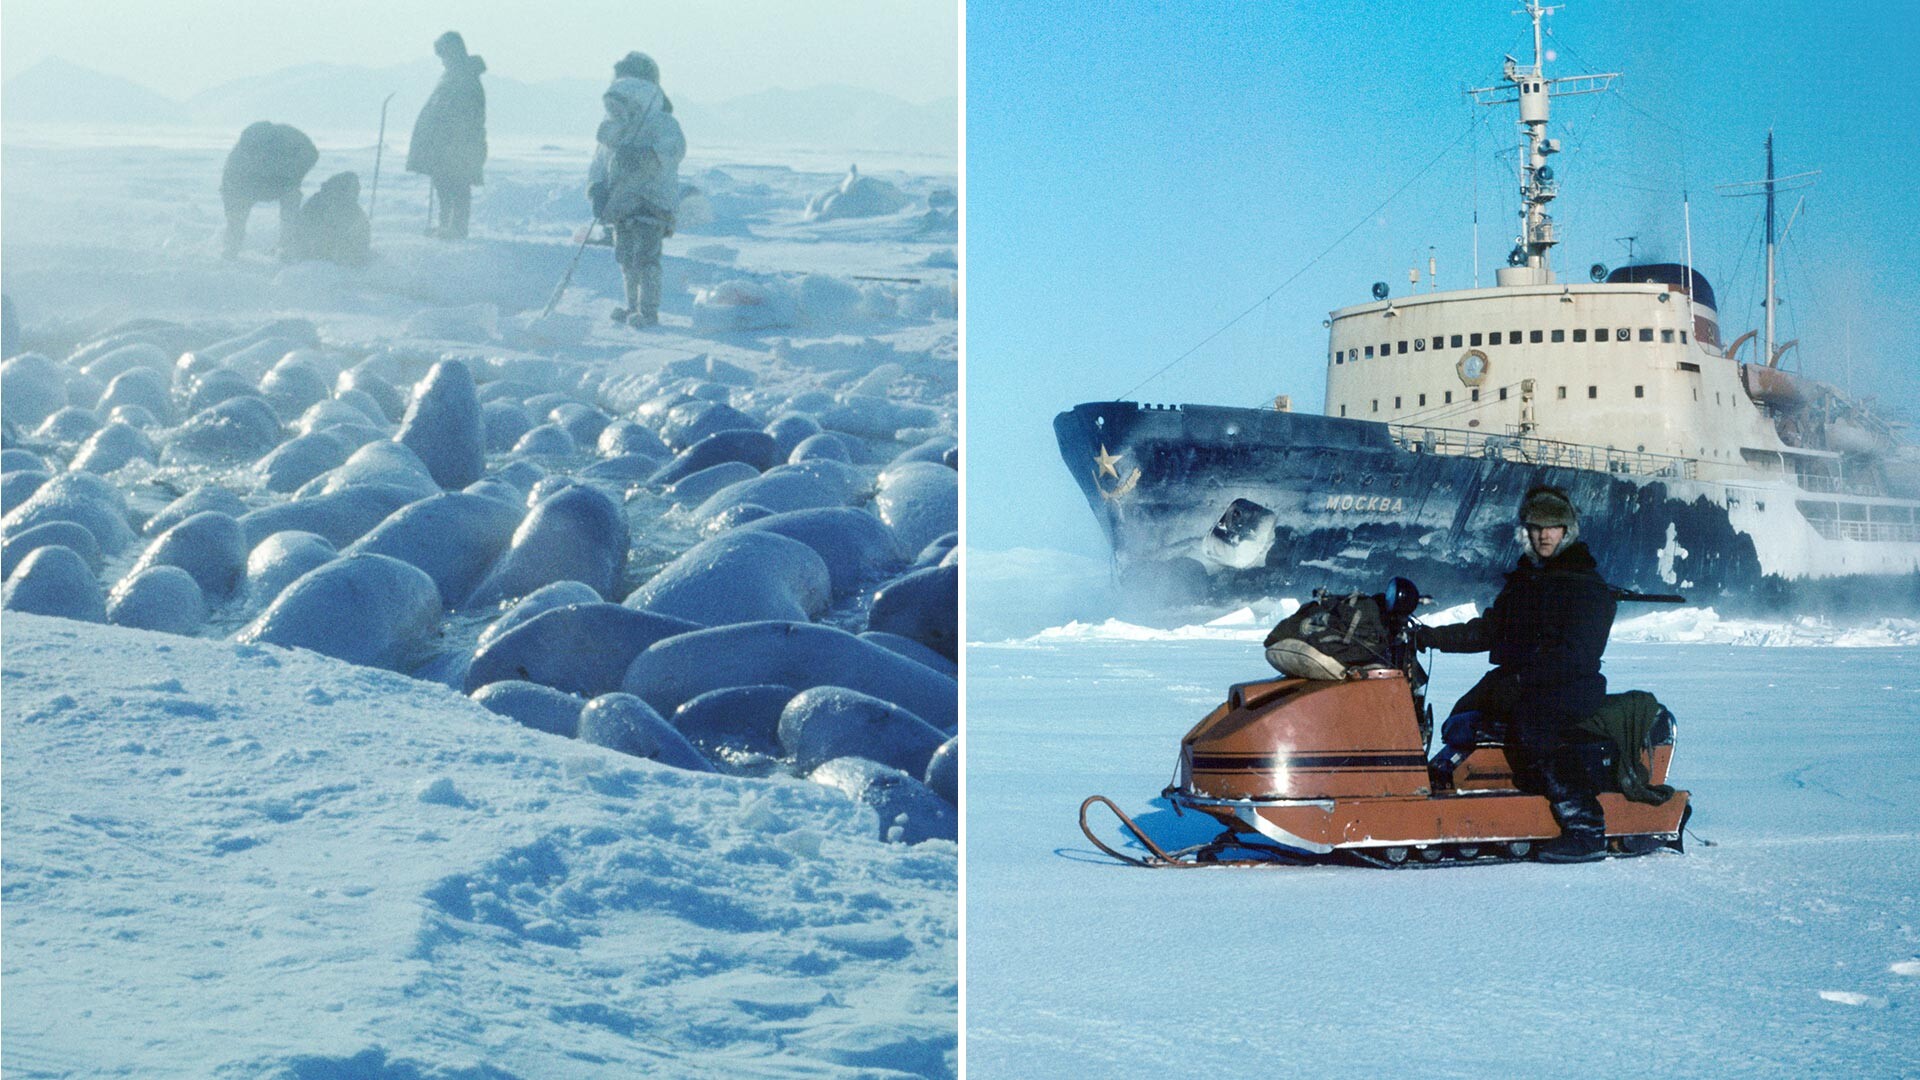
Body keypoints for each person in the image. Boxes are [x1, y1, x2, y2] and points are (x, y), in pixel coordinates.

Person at [1416, 485, 1618, 862]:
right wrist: (1431, 636)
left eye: (1553, 527)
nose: (1544, 535)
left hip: (1572, 684)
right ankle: (1476, 788)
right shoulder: (1526, 582)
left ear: (1567, 531)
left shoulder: (1585, 586)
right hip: (1523, 678)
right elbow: (1490, 629)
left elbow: (1578, 655)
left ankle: (1586, 827)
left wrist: (1523, 681)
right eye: (1536, 527)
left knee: (1532, 725)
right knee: (1465, 714)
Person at [587, 58, 685, 328]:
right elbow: (600, 161)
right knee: (626, 256)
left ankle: (648, 310)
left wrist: (642, 158)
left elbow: (671, 151)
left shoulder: (663, 123)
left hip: (651, 203)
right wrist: (597, 188)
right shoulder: (615, 126)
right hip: (621, 203)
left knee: (646, 257)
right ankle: (632, 306)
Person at [407, 31, 487, 240]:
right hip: (443, 145)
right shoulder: (451, 77)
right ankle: (445, 225)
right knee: (443, 184)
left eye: (444, 55)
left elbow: (467, 115)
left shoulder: (465, 78)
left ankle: (456, 227)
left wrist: (453, 139)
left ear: (453, 53)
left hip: (458, 145)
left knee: (457, 183)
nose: (442, 61)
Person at [220, 121, 318, 258]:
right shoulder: (237, 162)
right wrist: (234, 224)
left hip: (282, 181)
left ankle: (287, 244)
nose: (259, 155)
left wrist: (293, 176)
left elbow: (311, 154)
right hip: (248, 186)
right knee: (236, 217)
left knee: (291, 197)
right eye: (254, 152)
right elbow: (230, 192)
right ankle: (231, 248)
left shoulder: (291, 138)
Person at [282, 172, 371, 266]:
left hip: (337, 264)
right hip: (310, 260)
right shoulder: (316, 204)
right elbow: (299, 231)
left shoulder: (355, 212)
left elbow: (361, 243)